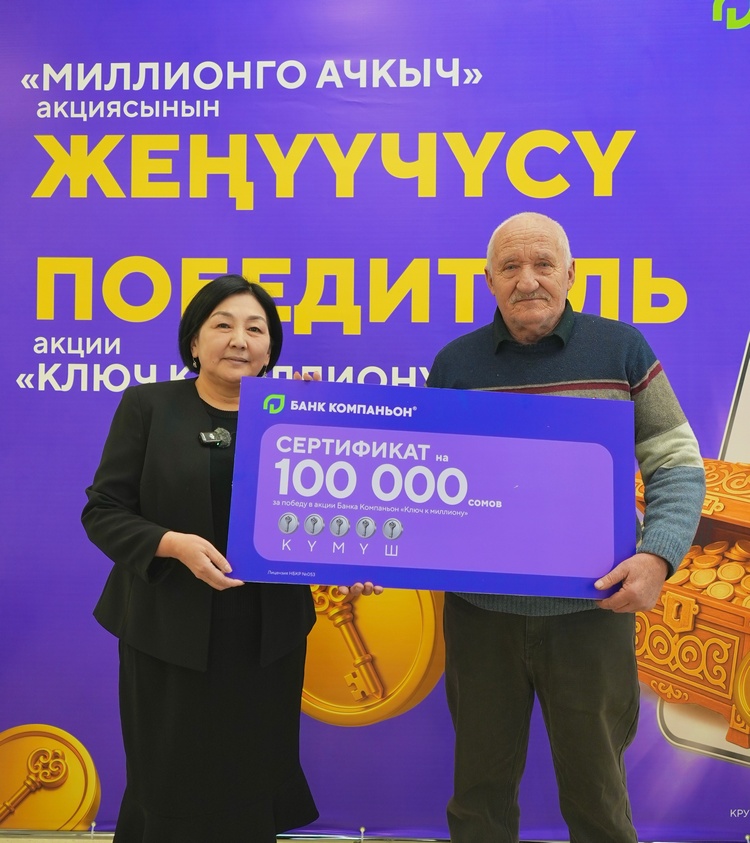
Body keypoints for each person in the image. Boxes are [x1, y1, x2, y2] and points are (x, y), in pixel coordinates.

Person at [426, 213, 706, 843]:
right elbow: (425, 482)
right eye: (510, 267)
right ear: (489, 281)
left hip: (592, 615)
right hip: (480, 618)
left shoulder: (621, 349)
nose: (527, 280)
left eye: (543, 264)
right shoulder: (454, 365)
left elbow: (677, 463)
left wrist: (658, 556)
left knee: (598, 801)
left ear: (571, 274)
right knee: (477, 802)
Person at [82, 274, 379, 843]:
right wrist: (173, 544)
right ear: (194, 341)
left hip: (265, 638)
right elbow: (104, 511)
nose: (240, 339)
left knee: (249, 783)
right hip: (165, 630)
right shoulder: (148, 405)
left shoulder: (296, 417)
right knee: (167, 785)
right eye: (223, 324)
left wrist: (348, 568)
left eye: (256, 329)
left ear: (270, 350)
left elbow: (328, 519)